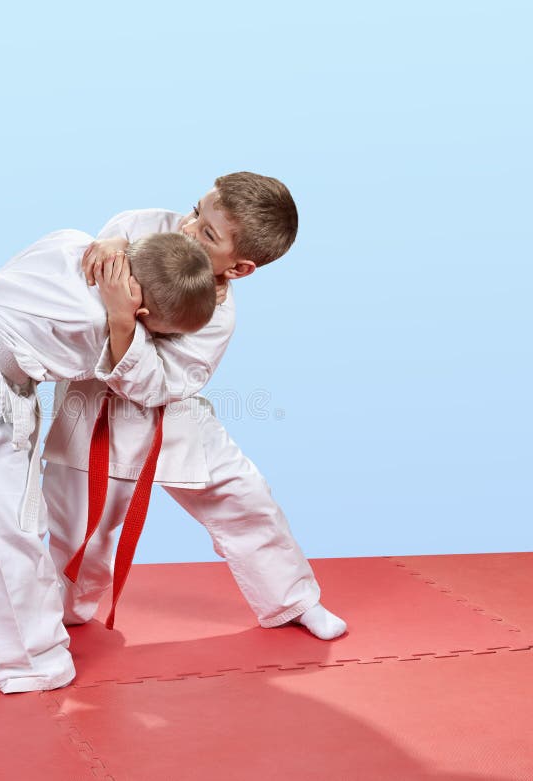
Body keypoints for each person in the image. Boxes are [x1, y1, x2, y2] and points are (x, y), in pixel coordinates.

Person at [0, 228, 217, 693]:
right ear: (141, 312)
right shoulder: (94, 325)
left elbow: (111, 241)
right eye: (158, 332)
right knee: (3, 529)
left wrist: (119, 243)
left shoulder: (74, 242)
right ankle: (28, 660)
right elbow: (142, 382)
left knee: (14, 519)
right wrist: (122, 323)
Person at [42, 172, 348, 641]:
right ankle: (40, 617)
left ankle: (294, 599)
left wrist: (123, 320)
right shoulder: (168, 226)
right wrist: (112, 240)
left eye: (207, 233)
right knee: (82, 533)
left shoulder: (216, 318)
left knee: (246, 496)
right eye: (195, 211)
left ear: (240, 268)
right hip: (96, 413)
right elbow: (131, 221)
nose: (186, 228)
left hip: (170, 413)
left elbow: (158, 385)